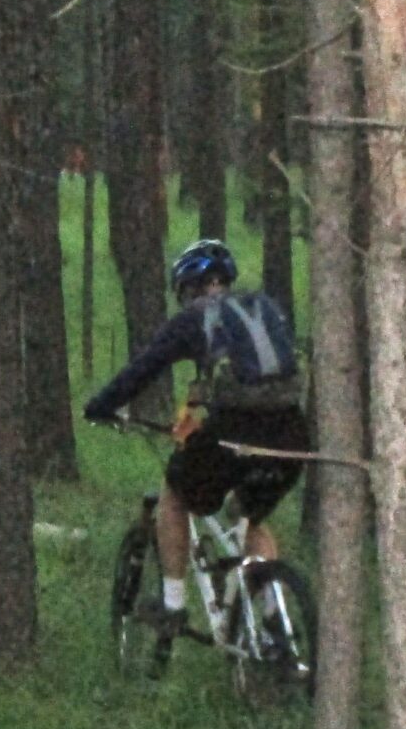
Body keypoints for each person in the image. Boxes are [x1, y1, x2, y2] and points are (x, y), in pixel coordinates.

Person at [82, 238, 311, 633]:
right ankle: (277, 624)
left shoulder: (193, 319)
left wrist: (100, 406)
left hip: (235, 431)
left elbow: (142, 369)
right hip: (292, 432)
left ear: (188, 287)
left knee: (175, 496)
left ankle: (172, 605)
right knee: (250, 516)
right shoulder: (267, 307)